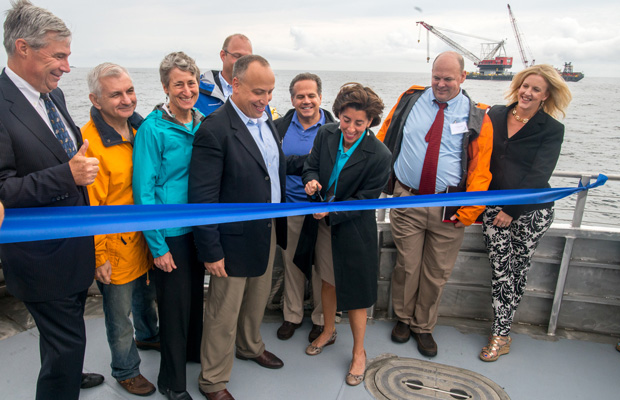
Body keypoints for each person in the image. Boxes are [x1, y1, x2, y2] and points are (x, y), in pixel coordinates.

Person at [0, 1, 105, 398]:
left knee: (65, 339)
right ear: (23, 47)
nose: (65, 67)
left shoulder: (53, 96)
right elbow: (2, 191)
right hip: (39, 257)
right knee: (66, 342)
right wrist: (67, 175)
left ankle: (69, 371)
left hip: (74, 246)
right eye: (58, 56)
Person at [377, 51, 493, 357]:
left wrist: (468, 212)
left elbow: (482, 169)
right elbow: (384, 138)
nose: (441, 84)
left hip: (449, 208)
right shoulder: (409, 100)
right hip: (408, 199)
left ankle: (423, 326)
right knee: (407, 265)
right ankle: (403, 319)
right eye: (436, 77)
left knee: (436, 272)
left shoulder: (478, 114)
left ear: (463, 77)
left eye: (448, 79)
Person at [189, 55, 286, 400]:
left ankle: (249, 345)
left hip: (266, 229)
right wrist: (211, 251)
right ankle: (213, 380)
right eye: (259, 91)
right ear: (236, 85)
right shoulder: (214, 128)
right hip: (230, 241)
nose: (266, 99)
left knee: (257, 299)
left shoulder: (266, 120)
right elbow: (201, 198)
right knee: (222, 313)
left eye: (271, 92)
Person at [294, 83, 391, 386]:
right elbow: (309, 167)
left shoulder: (380, 154)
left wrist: (331, 212)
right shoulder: (326, 134)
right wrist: (310, 182)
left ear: (370, 122)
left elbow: (366, 201)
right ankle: (327, 330)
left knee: (357, 294)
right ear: (338, 115)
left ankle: (359, 352)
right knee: (327, 280)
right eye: (346, 120)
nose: (350, 128)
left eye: (358, 123)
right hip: (323, 228)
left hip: (354, 230)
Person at [479, 64, 572, 362]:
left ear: (546, 96)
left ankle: (501, 334)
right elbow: (479, 155)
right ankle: (502, 331)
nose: (527, 93)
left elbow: (539, 173)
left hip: (531, 211)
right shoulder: (495, 114)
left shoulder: (552, 129)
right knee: (500, 269)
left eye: (536, 89)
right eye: (525, 86)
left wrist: (512, 209)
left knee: (517, 270)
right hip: (494, 206)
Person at [82, 62, 159, 395]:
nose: (127, 100)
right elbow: (90, 208)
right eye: (116, 94)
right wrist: (99, 256)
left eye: (130, 91)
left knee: (146, 298)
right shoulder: (90, 145)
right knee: (118, 315)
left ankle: (149, 335)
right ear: (96, 100)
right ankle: (126, 369)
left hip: (142, 238)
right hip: (114, 246)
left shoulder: (140, 128)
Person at [133, 51, 205, 400]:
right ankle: (172, 383)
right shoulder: (152, 129)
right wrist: (157, 246)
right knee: (173, 312)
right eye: (179, 84)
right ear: (166, 87)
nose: (187, 90)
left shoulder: (202, 122)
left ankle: (192, 355)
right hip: (170, 235)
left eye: (191, 83)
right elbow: (143, 192)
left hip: (198, 231)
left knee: (193, 302)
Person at [274, 73, 336, 342]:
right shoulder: (278, 128)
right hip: (290, 208)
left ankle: (322, 319)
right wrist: (307, 162)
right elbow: (274, 164)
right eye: (300, 96)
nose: (306, 100)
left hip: (323, 209)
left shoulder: (335, 129)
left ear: (321, 97)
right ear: (292, 99)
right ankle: (292, 315)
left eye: (311, 95)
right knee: (292, 265)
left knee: (323, 268)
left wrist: (295, 163)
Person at [194, 33, 252, 117]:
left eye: (247, 58)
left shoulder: (257, 93)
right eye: (237, 56)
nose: (243, 62)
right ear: (223, 55)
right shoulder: (197, 91)